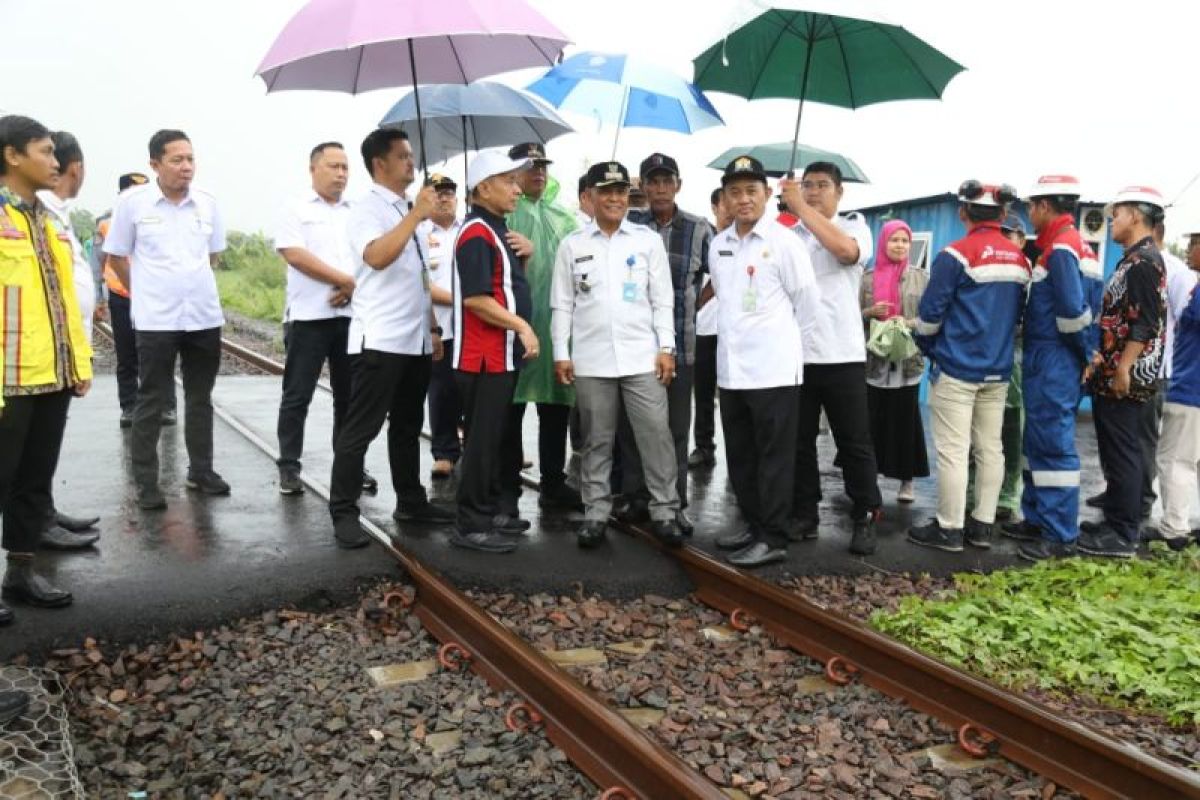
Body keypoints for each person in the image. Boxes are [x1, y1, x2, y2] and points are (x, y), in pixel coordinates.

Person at [327, 128, 453, 548]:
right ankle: (344, 511)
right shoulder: (367, 210)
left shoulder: (405, 208)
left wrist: (433, 328)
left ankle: (411, 501)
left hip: (414, 338)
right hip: (379, 340)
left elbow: (419, 277)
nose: (411, 163)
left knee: (407, 425)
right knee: (359, 429)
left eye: (412, 155)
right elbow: (377, 258)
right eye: (403, 156)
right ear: (380, 163)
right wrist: (416, 216)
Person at [550, 161, 682, 549]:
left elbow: (662, 299)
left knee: (656, 435)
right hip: (591, 360)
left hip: (643, 357)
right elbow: (562, 304)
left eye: (621, 191)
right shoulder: (573, 244)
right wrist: (561, 352)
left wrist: (666, 347)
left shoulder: (645, 240)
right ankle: (595, 513)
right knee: (596, 439)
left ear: (628, 196)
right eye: (605, 191)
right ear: (589, 196)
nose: (614, 199)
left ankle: (665, 510)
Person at [103, 129, 228, 510]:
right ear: (155, 164)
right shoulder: (133, 204)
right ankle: (146, 483)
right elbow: (117, 256)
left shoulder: (207, 204)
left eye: (190, 158)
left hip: (203, 316)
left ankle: (201, 471)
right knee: (152, 400)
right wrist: (144, 293)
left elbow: (213, 256)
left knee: (200, 397)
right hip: (156, 320)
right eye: (177, 160)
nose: (186, 167)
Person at [0, 114, 94, 615]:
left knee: (34, 482)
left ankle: (20, 573)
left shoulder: (48, 220)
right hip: (9, 380)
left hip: (50, 375)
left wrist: (77, 364)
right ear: (13, 156)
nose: (55, 162)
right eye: (44, 152)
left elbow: (61, 301)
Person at [709, 156, 819, 567]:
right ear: (725, 198)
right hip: (732, 370)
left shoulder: (785, 242)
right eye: (734, 192)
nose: (743, 199)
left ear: (767, 195)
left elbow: (808, 305)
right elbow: (724, 298)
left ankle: (773, 535)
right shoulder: (718, 244)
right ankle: (753, 524)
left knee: (774, 458)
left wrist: (791, 352)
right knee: (740, 455)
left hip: (774, 370)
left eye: (751, 191)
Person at [907, 181, 1030, 552]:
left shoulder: (954, 254)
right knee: (990, 449)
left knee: (954, 451)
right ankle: (982, 527)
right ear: (1004, 214)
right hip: (999, 371)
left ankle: (949, 529)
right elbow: (1020, 318)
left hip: (957, 369)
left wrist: (930, 348)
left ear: (964, 212)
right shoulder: (1020, 260)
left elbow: (929, 317)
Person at [779, 162, 881, 555]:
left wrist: (799, 208)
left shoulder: (855, 227)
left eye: (822, 185)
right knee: (799, 440)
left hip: (842, 355)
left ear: (839, 193)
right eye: (808, 186)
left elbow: (844, 252)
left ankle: (866, 513)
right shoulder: (790, 235)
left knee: (854, 441)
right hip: (797, 355)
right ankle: (804, 514)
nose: (815, 192)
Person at [1000, 176, 1093, 561]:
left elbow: (1072, 313)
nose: (1029, 212)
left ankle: (1059, 535)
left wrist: (1085, 354)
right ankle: (1037, 519)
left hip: (1055, 358)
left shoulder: (1061, 249)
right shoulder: (1064, 244)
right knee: (1037, 443)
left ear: (1044, 206)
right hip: (1048, 357)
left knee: (1053, 446)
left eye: (1031, 206)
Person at [619, 153, 713, 532]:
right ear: (642, 185)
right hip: (635, 345)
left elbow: (719, 275)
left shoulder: (698, 227)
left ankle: (673, 504)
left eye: (666, 181)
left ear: (678, 185)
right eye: (652, 181)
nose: (659, 188)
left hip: (681, 345)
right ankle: (637, 497)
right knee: (632, 427)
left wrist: (692, 303)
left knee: (674, 428)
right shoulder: (630, 225)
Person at [452, 150, 537, 553]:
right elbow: (476, 299)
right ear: (483, 187)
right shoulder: (475, 234)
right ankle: (470, 524)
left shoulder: (494, 229)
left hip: (500, 356)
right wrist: (521, 325)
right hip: (483, 356)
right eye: (508, 181)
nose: (516, 189)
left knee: (494, 436)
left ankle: (486, 511)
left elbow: (503, 287)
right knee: (482, 440)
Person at [1077, 187, 1168, 558]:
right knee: (1114, 451)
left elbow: (1146, 322)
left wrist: (1125, 367)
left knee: (1125, 451)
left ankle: (1123, 533)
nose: (1113, 220)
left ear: (1135, 215)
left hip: (1126, 375)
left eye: (1118, 213)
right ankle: (1114, 518)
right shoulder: (1131, 260)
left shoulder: (1146, 262)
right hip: (1113, 369)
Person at [1086, 220, 1195, 522]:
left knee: (1137, 443)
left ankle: (1136, 508)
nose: (1189, 249)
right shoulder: (1135, 261)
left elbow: (1160, 320)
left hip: (1148, 368)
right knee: (1120, 445)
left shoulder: (1159, 266)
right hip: (1130, 364)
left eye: (1194, 243)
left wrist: (1128, 364)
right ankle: (1120, 501)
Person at [273, 142, 364, 496]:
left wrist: (353, 285)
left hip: (351, 316)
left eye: (345, 167)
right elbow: (295, 254)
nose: (341, 174)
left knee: (349, 397)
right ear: (313, 169)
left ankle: (348, 466)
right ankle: (289, 466)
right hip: (309, 317)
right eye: (333, 166)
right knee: (297, 395)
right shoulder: (294, 208)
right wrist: (342, 280)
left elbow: (369, 254)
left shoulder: (357, 212)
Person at [33, 131, 102, 549]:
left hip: (61, 349)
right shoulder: (35, 212)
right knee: (33, 447)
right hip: (40, 350)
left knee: (47, 441)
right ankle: (35, 525)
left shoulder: (55, 211)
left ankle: (44, 511)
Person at [505, 143, 581, 510]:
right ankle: (507, 482)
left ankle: (554, 480)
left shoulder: (564, 217)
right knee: (510, 408)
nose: (539, 172)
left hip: (556, 328)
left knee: (556, 408)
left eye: (543, 166)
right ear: (513, 173)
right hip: (514, 327)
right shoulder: (504, 213)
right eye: (530, 166)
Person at [96, 172, 177, 428]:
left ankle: (166, 406)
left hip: (155, 296)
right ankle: (129, 407)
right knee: (127, 354)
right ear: (121, 195)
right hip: (122, 295)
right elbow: (98, 261)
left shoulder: (161, 216)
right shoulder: (106, 223)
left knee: (161, 353)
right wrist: (98, 296)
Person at [859, 219, 929, 504]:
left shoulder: (921, 278)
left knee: (906, 422)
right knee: (872, 421)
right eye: (894, 240)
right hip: (875, 362)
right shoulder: (866, 278)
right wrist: (869, 312)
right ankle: (870, 475)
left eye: (904, 241)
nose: (899, 245)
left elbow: (931, 317)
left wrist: (908, 322)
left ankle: (906, 481)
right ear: (883, 243)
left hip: (907, 362)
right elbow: (852, 315)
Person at [422, 173, 464, 480]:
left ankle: (478, 446)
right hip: (438, 324)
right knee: (442, 390)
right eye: (438, 192)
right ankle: (445, 451)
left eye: (449, 192)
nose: (445, 197)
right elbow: (421, 283)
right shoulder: (421, 234)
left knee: (473, 390)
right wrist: (463, 302)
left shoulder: (471, 230)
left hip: (473, 325)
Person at [1153, 276, 1199, 550]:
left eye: (1195, 243)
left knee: (1176, 461)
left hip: (1190, 388)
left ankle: (1174, 530)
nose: (1191, 250)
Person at [689, 187, 731, 469]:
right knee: (703, 394)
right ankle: (704, 446)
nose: (733, 207)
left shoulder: (747, 241)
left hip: (732, 331)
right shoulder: (706, 239)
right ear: (715, 207)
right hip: (703, 328)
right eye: (725, 203)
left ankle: (739, 450)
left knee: (733, 395)